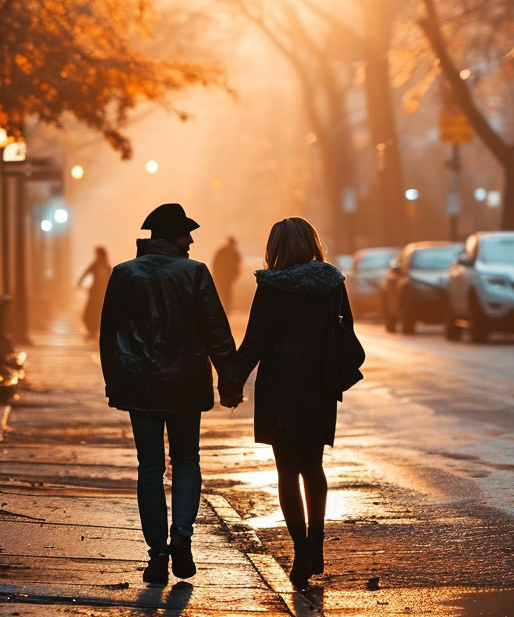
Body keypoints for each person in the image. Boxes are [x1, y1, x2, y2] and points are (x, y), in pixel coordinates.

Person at [99, 203, 238, 585]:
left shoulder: (123, 274)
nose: (191, 240)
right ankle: (182, 533)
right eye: (185, 233)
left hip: (138, 382)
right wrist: (230, 379)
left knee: (149, 468)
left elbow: (109, 334)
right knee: (187, 459)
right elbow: (216, 332)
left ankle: (157, 555)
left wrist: (116, 381)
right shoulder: (195, 274)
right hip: (185, 383)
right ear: (170, 236)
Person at [225, 216, 360, 590]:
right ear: (311, 243)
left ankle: (301, 551)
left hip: (279, 387)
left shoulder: (270, 288)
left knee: (287, 471)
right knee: (313, 467)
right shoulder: (332, 284)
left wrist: (231, 379)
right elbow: (346, 330)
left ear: (276, 248)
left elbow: (254, 341)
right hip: (318, 386)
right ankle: (316, 544)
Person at [78, 246, 111, 339]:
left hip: (101, 294)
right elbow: (85, 273)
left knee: (97, 312)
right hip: (96, 293)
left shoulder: (105, 267)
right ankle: (92, 330)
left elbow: (110, 280)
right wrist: (80, 283)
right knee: (90, 312)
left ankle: (94, 331)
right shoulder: (96, 265)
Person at [212, 236, 242, 314]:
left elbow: (215, 264)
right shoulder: (233, 252)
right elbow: (237, 265)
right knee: (226, 293)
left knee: (222, 293)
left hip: (223, 277)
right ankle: (226, 309)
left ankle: (224, 310)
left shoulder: (222, 251)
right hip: (226, 277)